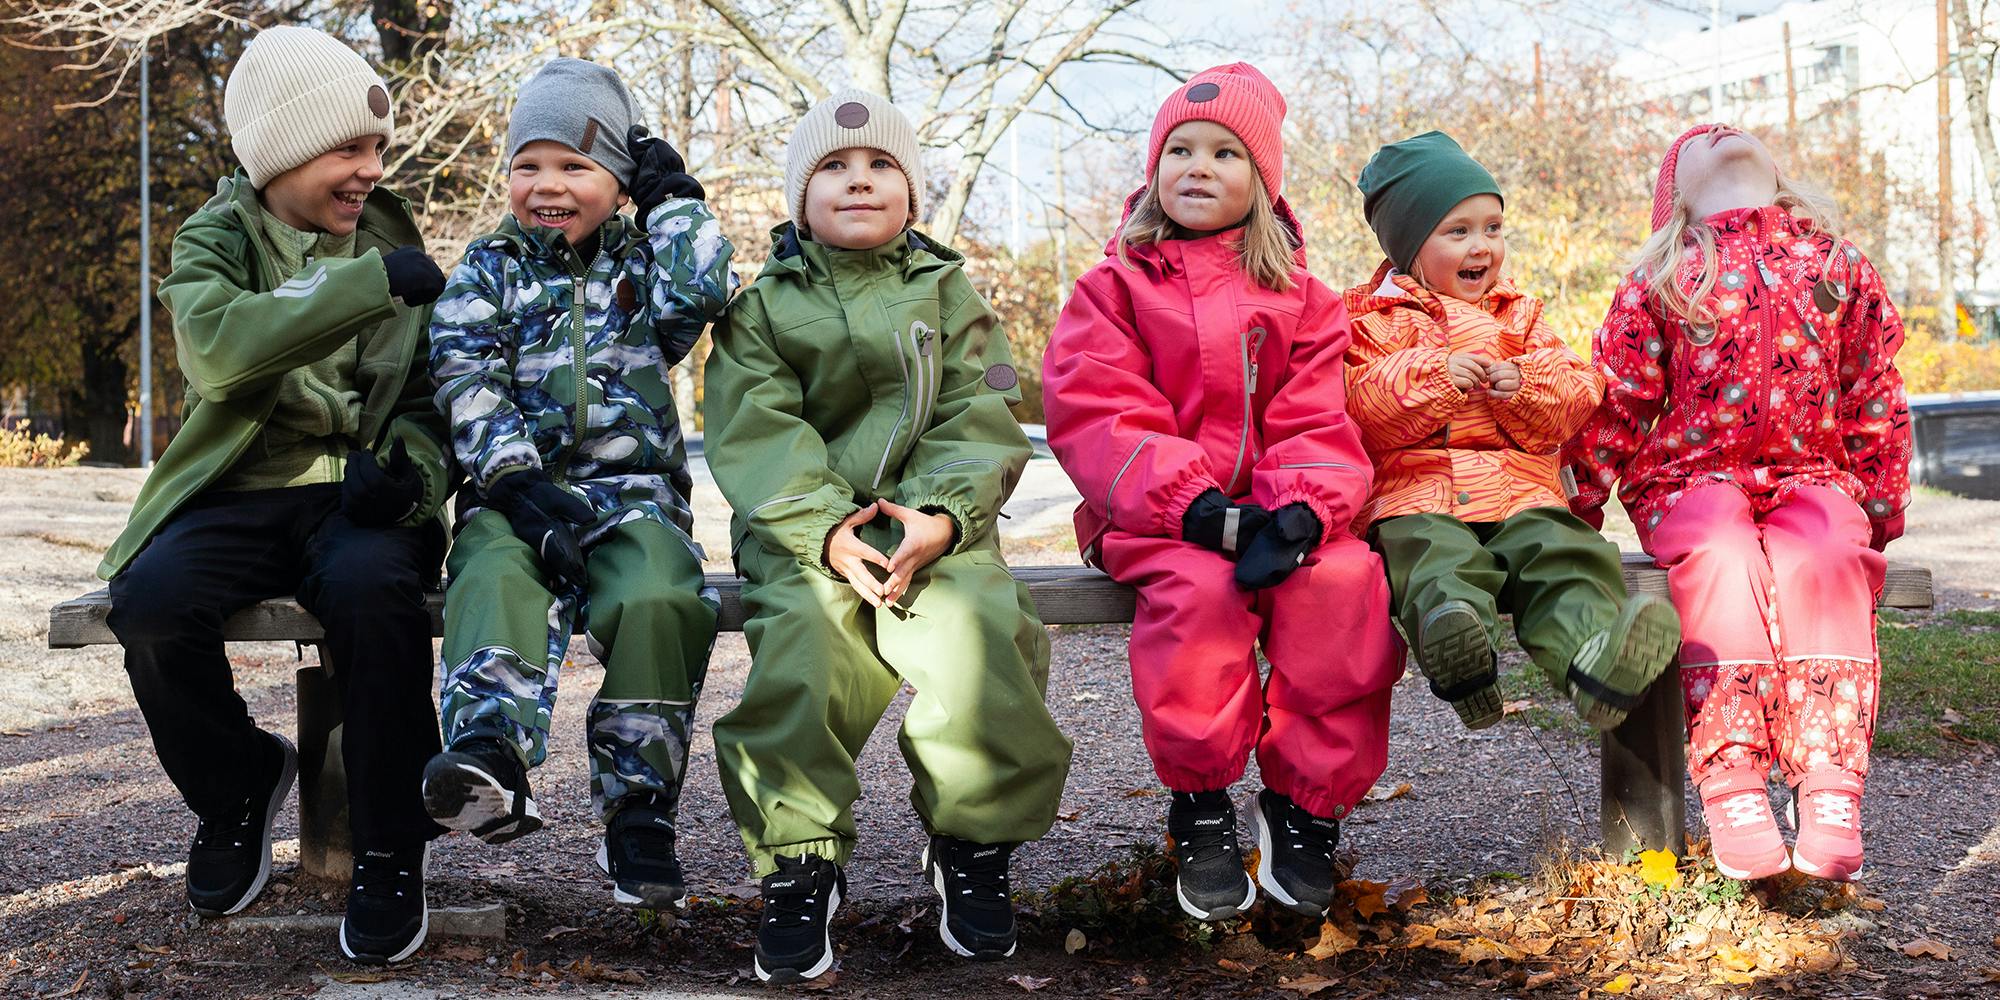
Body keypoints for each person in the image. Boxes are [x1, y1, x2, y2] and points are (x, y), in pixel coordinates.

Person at [703, 89, 1072, 983]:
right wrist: (825, 529)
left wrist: (943, 517)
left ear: (912, 194)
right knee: (806, 648)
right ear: (800, 199)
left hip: (936, 530)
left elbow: (979, 410)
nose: (858, 181)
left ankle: (971, 848)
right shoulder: (764, 306)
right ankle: (802, 861)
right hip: (809, 538)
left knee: (982, 637)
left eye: (880, 168)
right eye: (832, 168)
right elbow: (756, 426)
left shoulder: (949, 292)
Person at [101, 25, 452, 963]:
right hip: (240, 490)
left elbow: (426, 395)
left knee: (375, 596)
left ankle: (390, 846)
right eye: (349, 148)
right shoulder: (216, 237)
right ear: (282, 153)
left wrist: (411, 478)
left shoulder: (390, 229)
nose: (372, 169)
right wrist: (363, 288)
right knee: (150, 605)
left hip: (360, 500)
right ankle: (239, 784)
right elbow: (218, 353)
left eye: (379, 148)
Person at [1041, 63, 1401, 923]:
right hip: (1155, 515)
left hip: (1276, 511)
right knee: (1201, 596)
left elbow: (1316, 417)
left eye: (1226, 153)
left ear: (1265, 181)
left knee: (1345, 584)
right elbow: (1099, 410)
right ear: (1155, 170)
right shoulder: (1115, 286)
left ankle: (1306, 807)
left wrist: (1304, 511)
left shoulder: (1306, 301)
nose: (1199, 166)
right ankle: (1202, 801)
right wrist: (1196, 508)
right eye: (1181, 149)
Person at [422, 58, 732, 911]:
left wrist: (676, 202)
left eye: (575, 166)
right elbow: (463, 374)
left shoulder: (646, 267)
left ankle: (639, 810)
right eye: (529, 165)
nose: (547, 185)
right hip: (514, 493)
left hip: (633, 496)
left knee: (662, 600)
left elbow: (705, 290)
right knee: (492, 576)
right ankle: (489, 751)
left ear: (619, 182)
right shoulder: (488, 269)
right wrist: (518, 486)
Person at [1563, 124, 1911, 882]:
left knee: (1825, 552)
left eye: (1733, 132)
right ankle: (1735, 782)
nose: (1720, 133)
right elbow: (1616, 401)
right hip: (1692, 482)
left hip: (1812, 475)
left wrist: (1880, 506)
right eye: (1694, 143)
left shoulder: (1840, 266)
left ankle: (1828, 784)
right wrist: (1575, 507)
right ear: (1677, 204)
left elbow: (1874, 390)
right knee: (1720, 553)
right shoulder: (1663, 279)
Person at [1343, 131, 1680, 734]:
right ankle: (1458, 649)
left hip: (1521, 494)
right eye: (1459, 231)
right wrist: (1431, 375)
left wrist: (1522, 382)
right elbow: (1356, 405)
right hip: (1419, 496)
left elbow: (1580, 393)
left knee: (1564, 553)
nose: (1483, 246)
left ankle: (1595, 659)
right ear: (1408, 242)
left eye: (1493, 228)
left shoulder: (1520, 316)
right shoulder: (1367, 321)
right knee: (1432, 559)